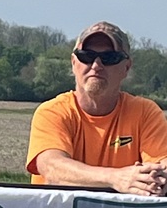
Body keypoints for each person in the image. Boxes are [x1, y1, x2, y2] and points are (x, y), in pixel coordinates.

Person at [26, 21, 167, 195]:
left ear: (126, 67)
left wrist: (158, 178)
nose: (96, 65)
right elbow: (52, 168)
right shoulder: (52, 112)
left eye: (109, 58)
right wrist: (116, 178)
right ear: (73, 62)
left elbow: (161, 164)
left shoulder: (145, 112)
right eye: (87, 56)